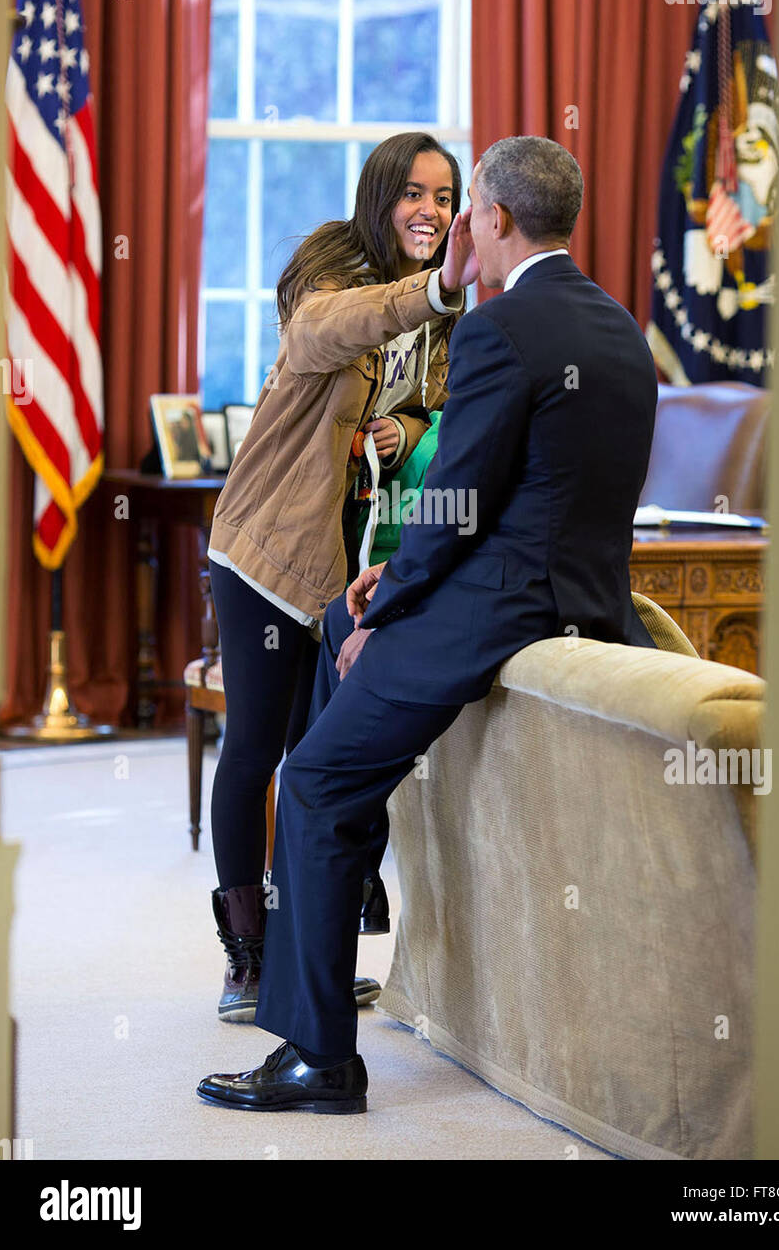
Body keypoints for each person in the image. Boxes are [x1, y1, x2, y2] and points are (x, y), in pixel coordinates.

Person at [197, 134, 659, 1113]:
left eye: (460, 205)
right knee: (319, 705)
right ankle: (320, 943)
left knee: (315, 776)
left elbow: (458, 495)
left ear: (488, 218)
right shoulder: (619, 328)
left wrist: (391, 601)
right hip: (589, 605)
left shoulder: (497, 328)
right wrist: (383, 584)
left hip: (491, 610)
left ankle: (316, 1056)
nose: (449, 221)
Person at [205, 132, 467, 1022]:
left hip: (341, 565)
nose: (430, 210)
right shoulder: (336, 275)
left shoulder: (437, 315)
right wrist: (430, 289)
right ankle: (246, 960)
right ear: (382, 194)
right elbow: (328, 331)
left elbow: (429, 394)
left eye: (445, 196)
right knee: (256, 751)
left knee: (313, 761)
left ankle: (300, 952)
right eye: (415, 193)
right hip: (265, 552)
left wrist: (406, 424)